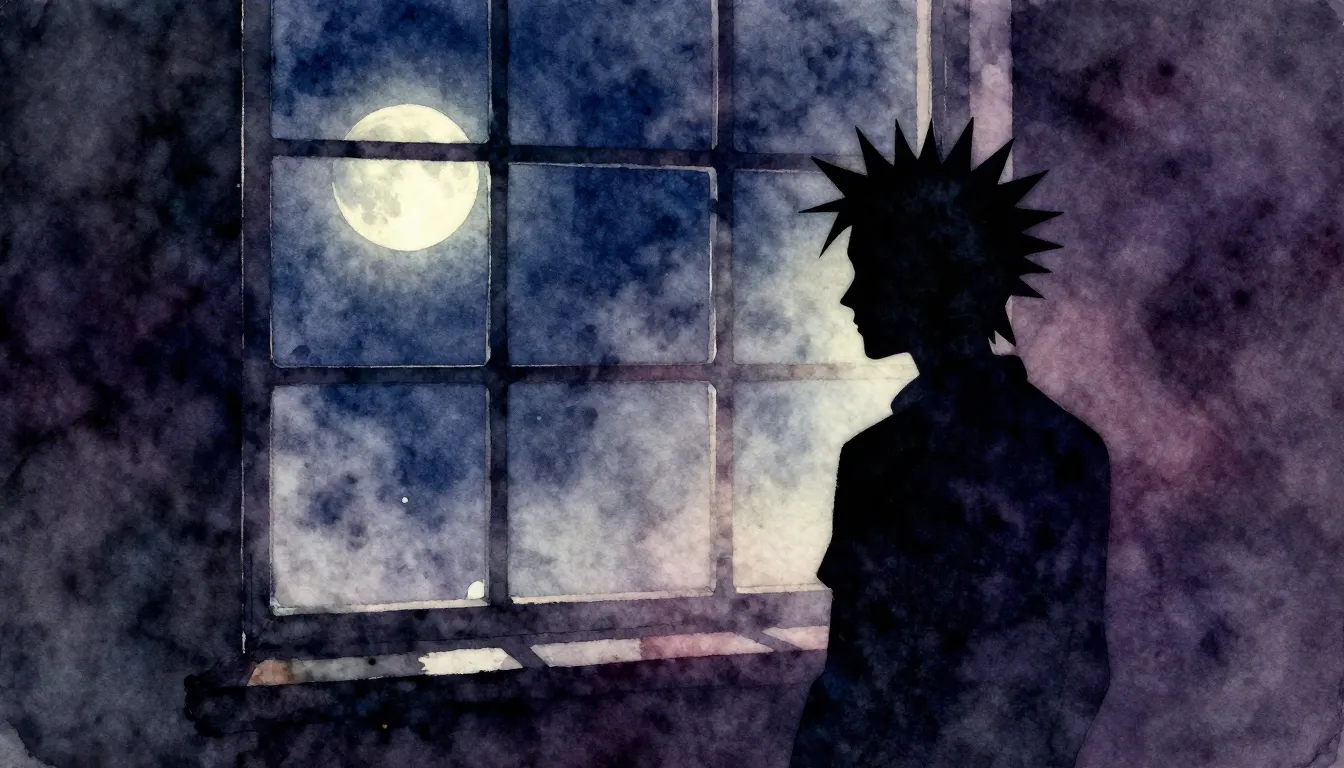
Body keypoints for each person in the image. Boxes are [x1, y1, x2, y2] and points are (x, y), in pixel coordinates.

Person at [788, 120, 1112, 768]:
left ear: (928, 283)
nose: (850, 298)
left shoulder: (880, 463)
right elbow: (1082, 666)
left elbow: (851, 681)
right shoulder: (1074, 448)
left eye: (868, 272)